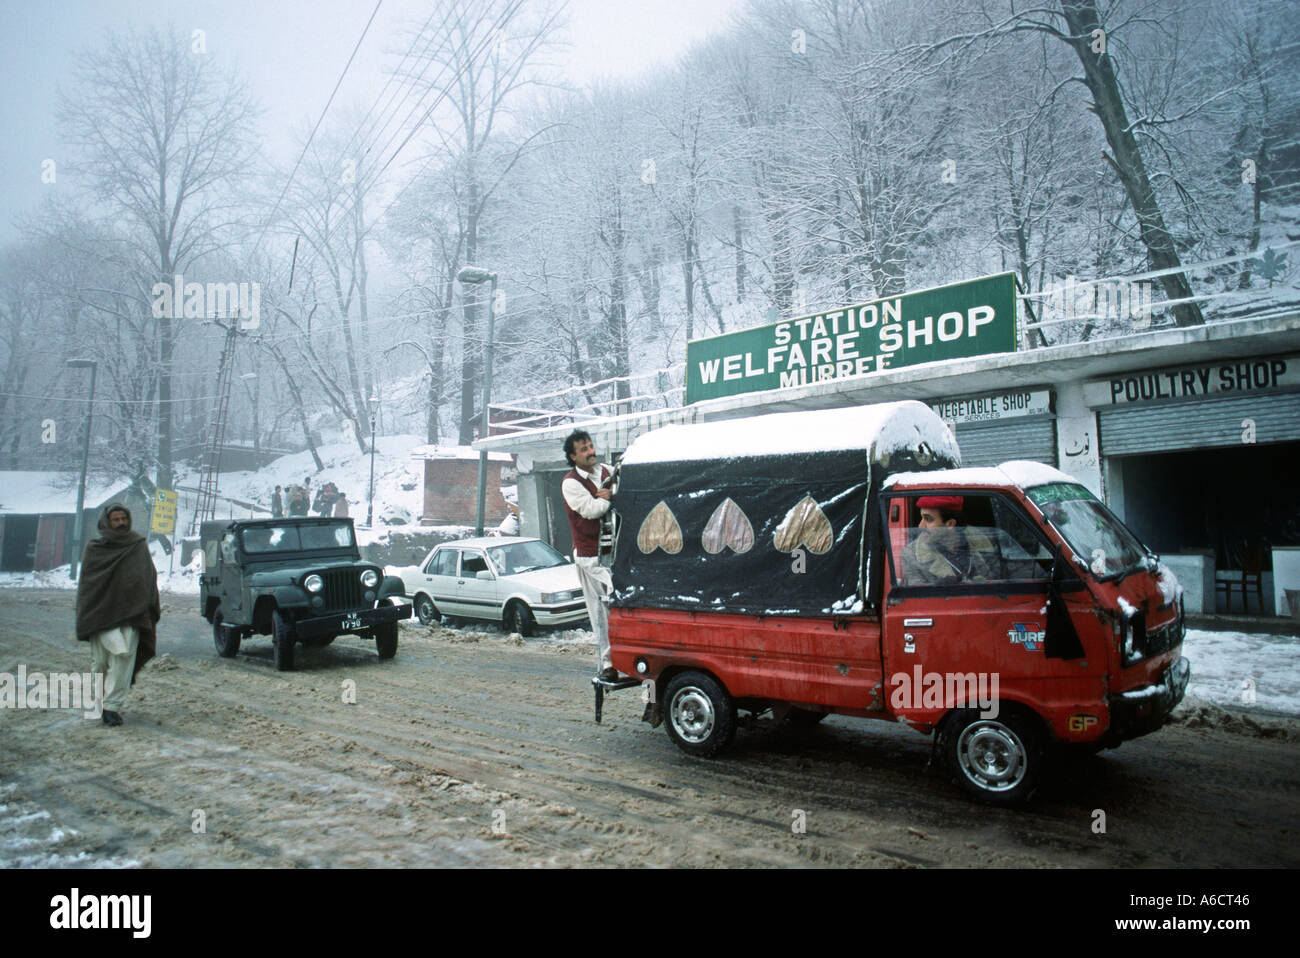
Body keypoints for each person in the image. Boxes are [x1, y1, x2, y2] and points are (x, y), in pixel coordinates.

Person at [74, 504, 161, 727]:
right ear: (107, 522)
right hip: (101, 616)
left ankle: (112, 707)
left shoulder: (137, 545)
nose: (121, 523)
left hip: (131, 614)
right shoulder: (95, 549)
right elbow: (88, 586)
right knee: (100, 663)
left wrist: (144, 606)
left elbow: (147, 577)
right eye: (116, 520)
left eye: (124, 518)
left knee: (123, 659)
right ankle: (96, 701)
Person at [562, 430, 617, 681]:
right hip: (589, 556)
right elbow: (592, 510)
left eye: (590, 446)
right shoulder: (571, 483)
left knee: (617, 603)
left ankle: (624, 653)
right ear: (573, 456)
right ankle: (607, 664)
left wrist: (608, 493)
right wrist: (607, 498)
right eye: (583, 450)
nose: (590, 452)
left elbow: (619, 489)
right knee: (599, 610)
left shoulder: (606, 470)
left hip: (612, 550)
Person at [901, 495, 999, 585]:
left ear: (950, 524)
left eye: (928, 519)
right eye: (921, 518)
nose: (920, 526)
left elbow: (998, 581)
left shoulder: (981, 540)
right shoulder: (910, 555)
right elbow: (918, 597)